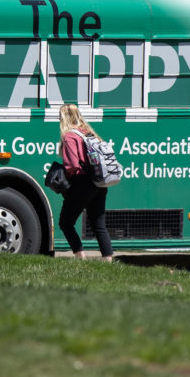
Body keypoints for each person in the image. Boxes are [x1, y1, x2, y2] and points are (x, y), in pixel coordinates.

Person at [57, 103, 113, 260]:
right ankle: (108, 261)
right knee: (98, 224)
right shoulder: (88, 133)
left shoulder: (69, 135)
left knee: (65, 222)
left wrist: (65, 178)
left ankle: (80, 257)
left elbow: (72, 165)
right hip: (99, 182)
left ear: (64, 118)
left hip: (82, 182)